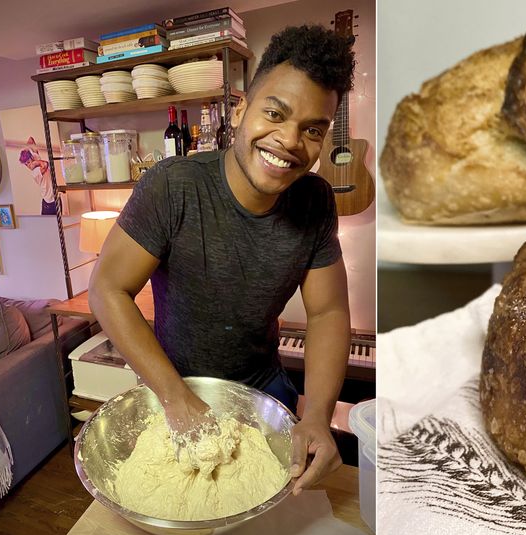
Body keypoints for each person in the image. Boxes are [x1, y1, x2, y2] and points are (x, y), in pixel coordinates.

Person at [88, 25, 356, 495]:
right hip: (173, 386)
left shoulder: (315, 201)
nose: (290, 140)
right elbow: (108, 289)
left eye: (312, 129)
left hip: (264, 390)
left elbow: (328, 311)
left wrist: (315, 415)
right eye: (275, 113)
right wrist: (175, 397)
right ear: (241, 109)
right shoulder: (174, 186)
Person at [19, 137, 58, 215]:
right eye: (26, 164)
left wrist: (26, 151)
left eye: (29, 162)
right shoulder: (35, 172)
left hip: (55, 199)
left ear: (32, 157)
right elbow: (45, 164)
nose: (29, 166)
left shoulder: (36, 158)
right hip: (48, 203)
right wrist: (34, 162)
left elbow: (30, 139)